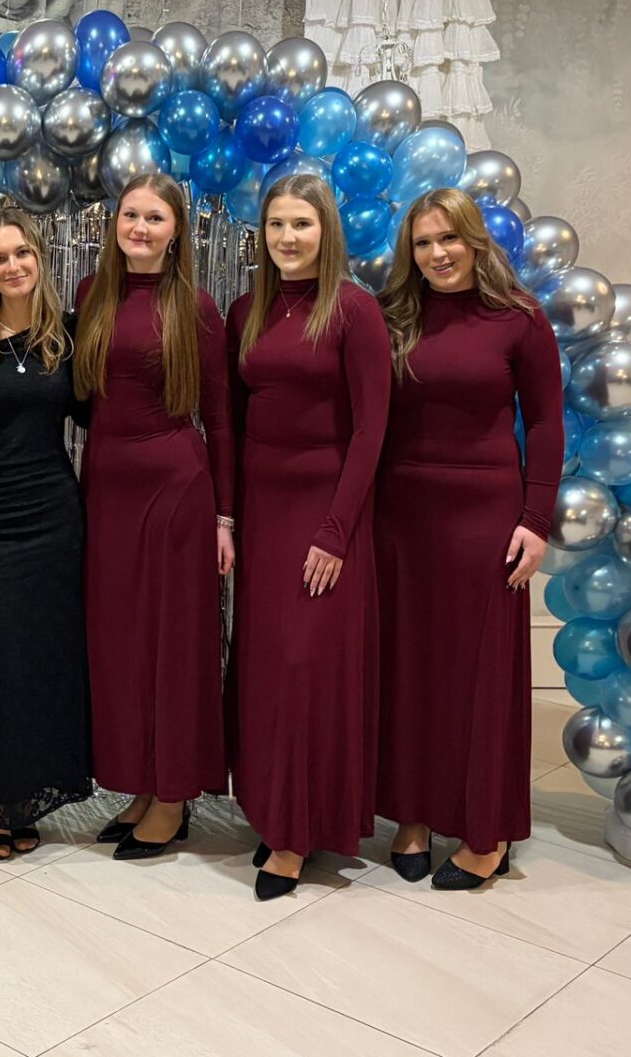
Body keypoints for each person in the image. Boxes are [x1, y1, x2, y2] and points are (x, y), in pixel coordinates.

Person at [376, 187, 563, 890]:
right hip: (400, 514)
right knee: (408, 668)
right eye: (423, 243)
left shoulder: (519, 317)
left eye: (449, 238)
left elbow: (545, 423)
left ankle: (487, 833)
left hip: (485, 515)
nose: (438, 254)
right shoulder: (395, 316)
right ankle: (413, 813)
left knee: (478, 674)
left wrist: (536, 520)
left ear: (475, 241)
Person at [226, 175, 391, 901]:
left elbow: (372, 429)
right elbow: (231, 421)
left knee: (303, 667)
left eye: (301, 224)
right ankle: (271, 811)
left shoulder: (354, 310)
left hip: (325, 513)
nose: (287, 238)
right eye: (276, 225)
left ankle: (299, 833)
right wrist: (228, 516)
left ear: (326, 231)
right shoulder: (247, 311)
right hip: (261, 511)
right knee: (266, 667)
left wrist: (335, 529)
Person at [73, 171, 235, 859]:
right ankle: (141, 784)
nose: (139, 227)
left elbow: (221, 420)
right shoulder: (91, 294)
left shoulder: (195, 307)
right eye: (130, 214)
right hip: (107, 488)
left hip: (175, 488)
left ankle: (173, 798)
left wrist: (225, 518)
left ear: (177, 232)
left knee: (174, 645)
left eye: (155, 218)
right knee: (121, 644)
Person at [0, 207, 93, 859]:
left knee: (43, 664)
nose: (12, 266)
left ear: (40, 259)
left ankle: (24, 797)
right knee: (3, 666)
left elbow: (96, 415)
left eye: (22, 254)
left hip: (54, 518)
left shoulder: (66, 335)